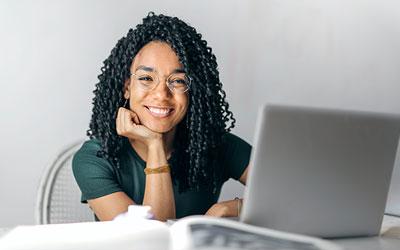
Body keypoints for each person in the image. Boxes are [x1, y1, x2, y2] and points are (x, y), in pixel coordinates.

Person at [72, 12, 251, 222]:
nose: (161, 94)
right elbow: (150, 241)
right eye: (147, 78)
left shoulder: (215, 145)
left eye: (178, 81)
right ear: (127, 87)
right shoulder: (95, 159)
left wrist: (231, 208)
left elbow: (292, 194)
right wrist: (154, 144)